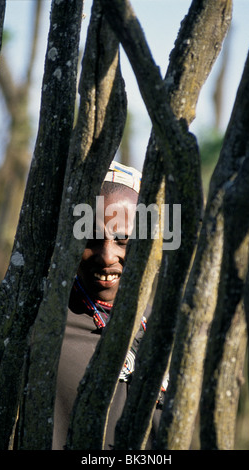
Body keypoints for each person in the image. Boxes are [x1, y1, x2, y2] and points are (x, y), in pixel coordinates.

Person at [52, 161, 161, 450]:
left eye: (123, 240)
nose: (107, 255)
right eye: (92, 238)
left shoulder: (161, 326)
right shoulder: (46, 327)